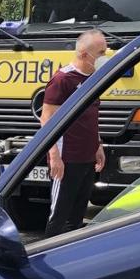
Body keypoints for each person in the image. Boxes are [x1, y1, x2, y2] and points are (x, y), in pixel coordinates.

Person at [42, 29, 107, 237]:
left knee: (76, 219)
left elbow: (91, 115)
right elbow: (47, 120)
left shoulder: (95, 79)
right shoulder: (63, 79)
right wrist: (54, 156)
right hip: (66, 159)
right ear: (84, 54)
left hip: (87, 158)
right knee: (59, 216)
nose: (104, 57)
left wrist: (98, 144)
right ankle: (46, 253)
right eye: (101, 52)